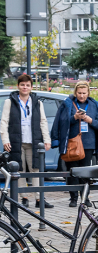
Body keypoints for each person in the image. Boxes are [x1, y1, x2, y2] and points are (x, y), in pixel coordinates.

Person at [0, 74, 52, 209]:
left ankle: (39, 198)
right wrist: (5, 140)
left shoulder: (37, 102)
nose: (25, 87)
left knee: (36, 169)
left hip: (34, 141)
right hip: (16, 141)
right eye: (22, 85)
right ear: (18, 86)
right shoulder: (10, 102)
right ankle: (23, 198)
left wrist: (46, 139)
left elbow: (43, 121)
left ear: (31, 87)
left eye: (27, 85)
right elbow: (4, 122)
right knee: (19, 169)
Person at [57, 81, 98, 207]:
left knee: (85, 173)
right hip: (72, 142)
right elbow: (62, 122)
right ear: (75, 92)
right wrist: (74, 118)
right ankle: (73, 198)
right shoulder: (68, 104)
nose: (82, 96)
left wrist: (89, 120)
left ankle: (85, 197)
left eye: (84, 93)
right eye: (79, 93)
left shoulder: (95, 105)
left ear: (88, 93)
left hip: (88, 143)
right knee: (73, 171)